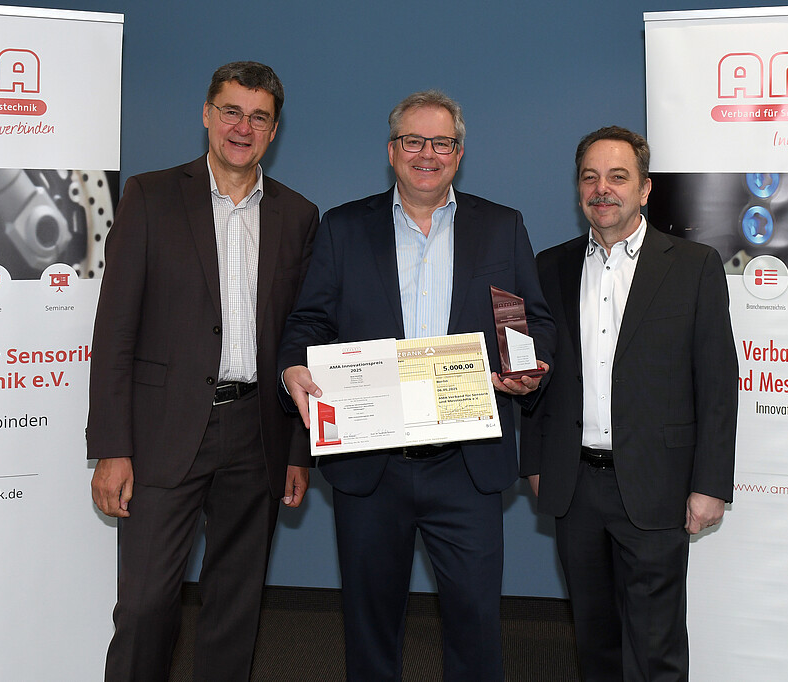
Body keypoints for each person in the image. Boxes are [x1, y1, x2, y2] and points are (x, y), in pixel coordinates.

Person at [278, 90, 555, 681]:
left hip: (467, 466)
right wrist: (294, 365)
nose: (427, 154)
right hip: (370, 467)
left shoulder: (500, 226)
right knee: (370, 630)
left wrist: (529, 366)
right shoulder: (343, 227)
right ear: (391, 151)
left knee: (476, 629)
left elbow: (530, 320)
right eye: (413, 141)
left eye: (442, 143)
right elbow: (308, 323)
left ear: (459, 153)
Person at [85, 61, 319, 682]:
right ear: (208, 115)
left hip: (258, 433)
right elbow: (115, 332)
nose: (243, 127)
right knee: (144, 608)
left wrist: (298, 449)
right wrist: (112, 447)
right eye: (231, 112)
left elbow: (302, 339)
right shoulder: (151, 196)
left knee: (235, 609)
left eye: (259, 117)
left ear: (274, 130)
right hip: (162, 433)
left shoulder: (299, 215)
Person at [520, 126, 738, 681]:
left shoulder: (693, 265)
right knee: (594, 643)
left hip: (658, 484)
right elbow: (541, 376)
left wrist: (711, 483)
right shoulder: (550, 267)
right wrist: (536, 462)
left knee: (655, 649)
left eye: (618, 177)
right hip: (575, 486)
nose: (602, 189)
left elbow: (717, 383)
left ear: (644, 188)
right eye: (589, 177)